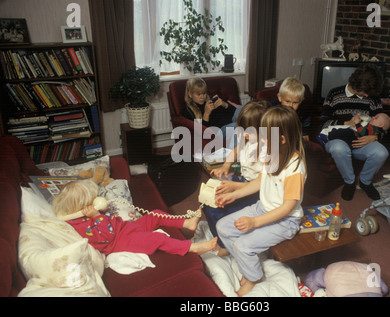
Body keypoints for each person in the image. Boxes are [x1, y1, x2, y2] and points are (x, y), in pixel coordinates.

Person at [215, 106, 307, 296]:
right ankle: (248, 263)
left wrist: (254, 222)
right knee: (223, 226)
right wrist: (235, 194)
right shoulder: (270, 154)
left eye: (264, 137)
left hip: (285, 220)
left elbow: (287, 207)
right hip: (262, 207)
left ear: (281, 139)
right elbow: (259, 182)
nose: (260, 141)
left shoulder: (295, 169)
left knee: (243, 245)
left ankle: (254, 277)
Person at [52, 180, 217, 256]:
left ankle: (186, 223)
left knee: (155, 214)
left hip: (125, 228)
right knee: (156, 238)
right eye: (91, 202)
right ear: (80, 207)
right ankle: (192, 248)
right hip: (120, 242)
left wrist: (97, 213)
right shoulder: (81, 226)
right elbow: (105, 235)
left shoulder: (85, 215)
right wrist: (96, 216)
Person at [205, 100, 269, 256]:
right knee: (209, 200)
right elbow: (235, 150)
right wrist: (226, 166)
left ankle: (225, 244)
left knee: (217, 207)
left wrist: (233, 188)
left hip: (257, 194)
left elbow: (261, 183)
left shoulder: (268, 150)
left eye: (250, 131)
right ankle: (222, 237)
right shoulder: (247, 140)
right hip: (243, 183)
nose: (245, 135)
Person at [320, 64, 388, 201]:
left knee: (382, 152)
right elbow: (323, 122)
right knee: (339, 148)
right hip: (338, 138)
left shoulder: (373, 98)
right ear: (356, 84)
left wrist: (374, 137)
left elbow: (383, 124)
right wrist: (345, 123)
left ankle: (365, 182)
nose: (368, 95)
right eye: (365, 92)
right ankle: (349, 182)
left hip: (361, 141)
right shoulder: (334, 94)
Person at [317, 112, 390, 148]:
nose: (372, 117)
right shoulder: (372, 126)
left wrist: (376, 137)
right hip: (354, 135)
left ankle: (327, 137)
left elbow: (363, 132)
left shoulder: (374, 128)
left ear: (381, 125)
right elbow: (324, 121)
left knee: (343, 133)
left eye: (375, 118)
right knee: (342, 132)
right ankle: (327, 136)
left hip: (355, 136)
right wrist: (347, 122)